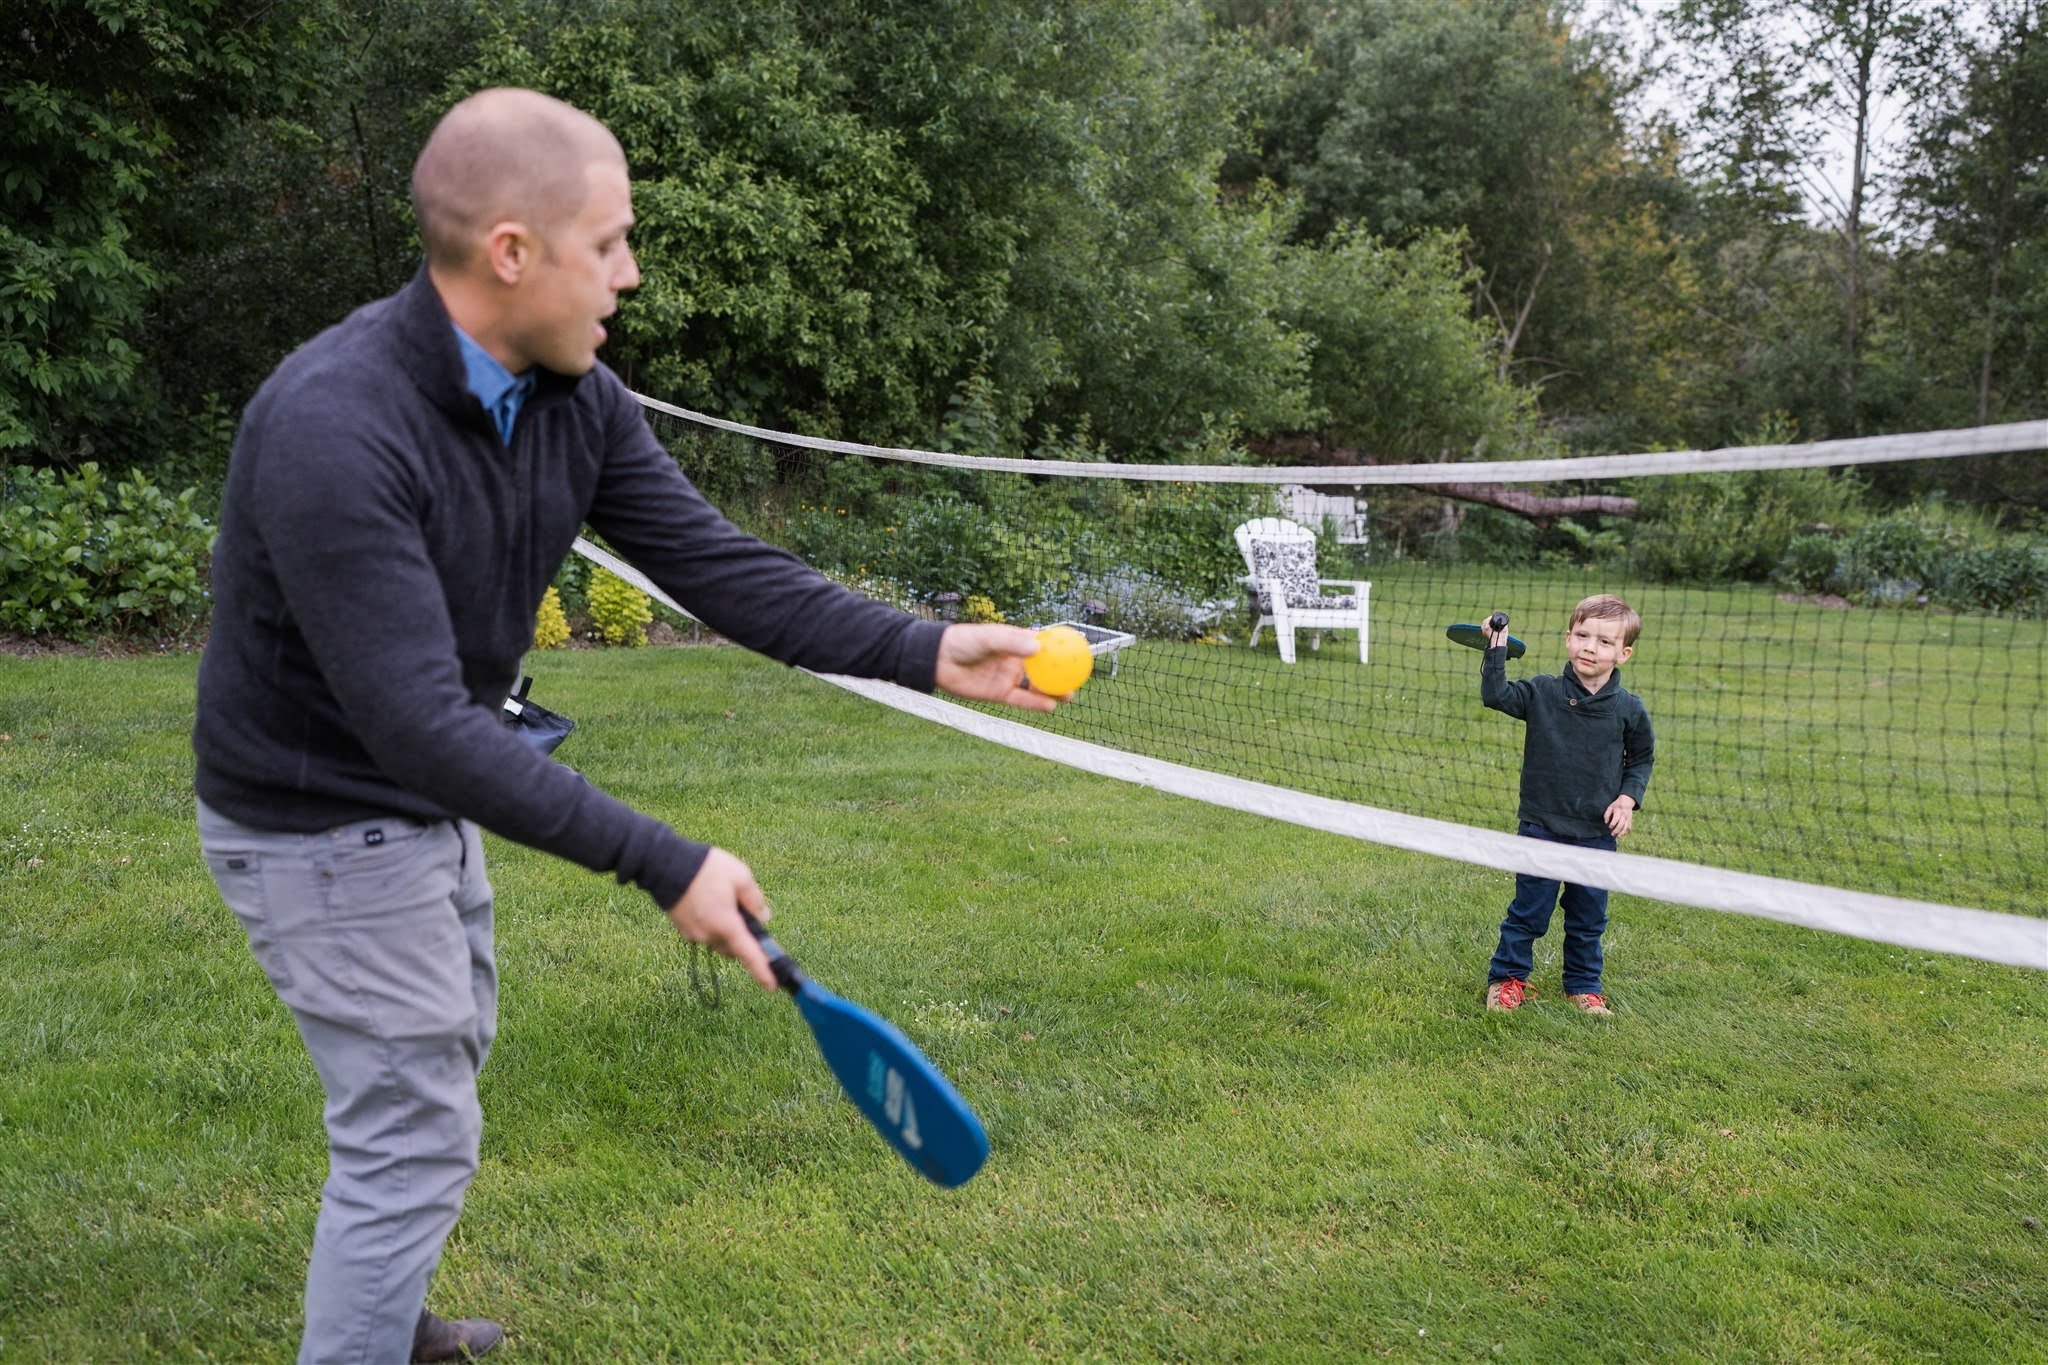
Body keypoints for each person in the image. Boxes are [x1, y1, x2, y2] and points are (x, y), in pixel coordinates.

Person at [192, 88, 1055, 1364]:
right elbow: (418, 721)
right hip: (318, 817)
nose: (631, 274)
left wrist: (922, 650)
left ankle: (379, 1312)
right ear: (511, 253)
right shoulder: (335, 425)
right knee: (413, 1123)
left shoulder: (570, 394)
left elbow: (714, 566)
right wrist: (666, 861)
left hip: (420, 797)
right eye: (611, 244)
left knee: (436, 1062)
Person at [1477, 595, 1655, 1017]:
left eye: (1605, 642)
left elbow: (1641, 759)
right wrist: (1496, 646)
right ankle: (1508, 980)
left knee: (1588, 917)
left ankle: (1583, 986)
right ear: (1568, 638)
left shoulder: (1629, 710)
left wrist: (1628, 799)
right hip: (1541, 825)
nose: (1590, 647)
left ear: (1624, 654)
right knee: (1528, 911)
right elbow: (1496, 695)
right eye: (1582, 636)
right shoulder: (1542, 691)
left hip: (1596, 833)